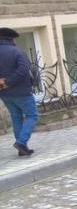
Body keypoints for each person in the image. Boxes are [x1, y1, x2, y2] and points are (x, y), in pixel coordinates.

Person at [0, 27, 38, 157]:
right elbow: (23, 70)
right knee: (32, 115)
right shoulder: (17, 52)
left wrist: (3, 83)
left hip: (4, 94)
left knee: (16, 118)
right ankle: (21, 142)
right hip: (22, 92)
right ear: (10, 39)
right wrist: (8, 81)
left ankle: (22, 149)